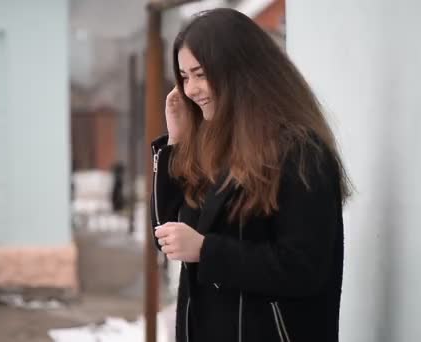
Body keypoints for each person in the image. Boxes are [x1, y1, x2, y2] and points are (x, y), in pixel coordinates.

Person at [150, 8, 350, 342]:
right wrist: (177, 144)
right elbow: (167, 235)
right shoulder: (217, 147)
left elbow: (304, 268)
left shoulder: (299, 151)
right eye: (184, 77)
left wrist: (206, 250)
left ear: (239, 70)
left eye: (200, 74)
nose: (191, 89)